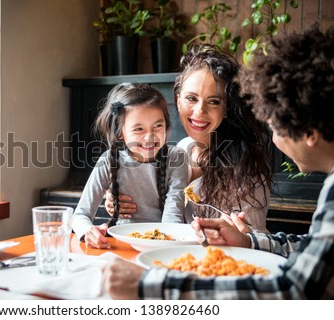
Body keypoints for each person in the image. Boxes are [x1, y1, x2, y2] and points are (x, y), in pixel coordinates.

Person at [102, 24, 334, 299]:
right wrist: (123, 196)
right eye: (191, 98)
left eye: (276, 127)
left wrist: (150, 285)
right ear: (177, 101)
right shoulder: (176, 153)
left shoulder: (246, 160)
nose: (274, 139)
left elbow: (294, 289)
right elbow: (308, 249)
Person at [105, 44, 274, 233]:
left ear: (227, 108)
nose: (200, 111)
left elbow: (253, 239)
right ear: (178, 101)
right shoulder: (181, 149)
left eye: (214, 101)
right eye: (191, 98)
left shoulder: (246, 167)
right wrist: (123, 200)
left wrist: (241, 233)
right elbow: (162, 210)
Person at [71, 83, 189, 249]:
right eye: (139, 129)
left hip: (165, 242)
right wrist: (87, 231)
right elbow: (80, 214)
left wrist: (165, 243)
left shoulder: (177, 157)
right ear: (120, 132)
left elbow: (173, 211)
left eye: (158, 126)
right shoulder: (108, 161)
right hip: (122, 243)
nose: (150, 137)